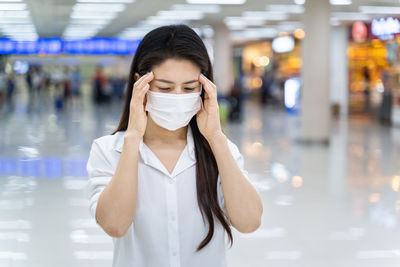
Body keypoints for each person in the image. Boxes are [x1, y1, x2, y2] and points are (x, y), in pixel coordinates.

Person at [86, 24, 263, 267]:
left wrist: (216, 137)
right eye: (165, 88)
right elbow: (115, 225)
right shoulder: (109, 150)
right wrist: (134, 137)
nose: (178, 97)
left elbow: (249, 221)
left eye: (189, 88)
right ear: (140, 84)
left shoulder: (221, 152)